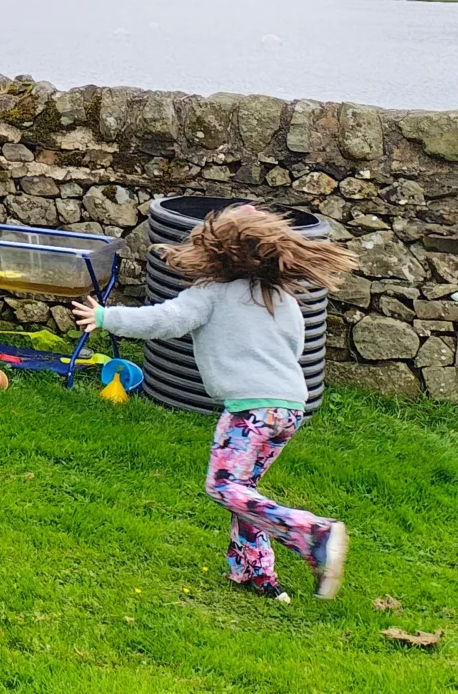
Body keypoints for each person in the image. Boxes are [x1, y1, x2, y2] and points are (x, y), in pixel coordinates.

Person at [73, 204, 356, 603]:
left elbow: (164, 320)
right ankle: (254, 571)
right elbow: (294, 347)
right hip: (289, 408)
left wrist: (106, 317)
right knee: (245, 491)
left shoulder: (211, 294)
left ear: (215, 253)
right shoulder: (281, 298)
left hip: (250, 410)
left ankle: (313, 533)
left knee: (223, 486)